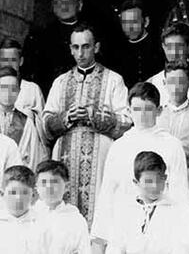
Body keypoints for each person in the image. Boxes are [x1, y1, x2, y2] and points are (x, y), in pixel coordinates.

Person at [43, 23, 132, 226]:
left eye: (86, 46)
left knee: (100, 206)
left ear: (96, 47)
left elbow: (127, 122)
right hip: (65, 153)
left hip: (101, 155)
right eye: (76, 47)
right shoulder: (60, 82)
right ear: (70, 49)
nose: (80, 53)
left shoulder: (113, 80)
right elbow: (45, 125)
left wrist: (95, 115)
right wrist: (66, 117)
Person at [91, 82, 189, 253]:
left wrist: (185, 236)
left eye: (148, 109)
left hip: (161, 226)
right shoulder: (119, 146)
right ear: (129, 111)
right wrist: (99, 238)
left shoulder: (171, 145)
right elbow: (108, 192)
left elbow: (180, 190)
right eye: (137, 109)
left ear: (159, 111)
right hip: (124, 226)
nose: (142, 115)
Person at [106, 151, 189, 254]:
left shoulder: (176, 212)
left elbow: (180, 249)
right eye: (148, 181)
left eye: (159, 180)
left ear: (165, 178)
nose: (154, 186)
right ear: (136, 182)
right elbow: (115, 248)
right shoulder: (125, 211)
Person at [156, 59, 189, 199]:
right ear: (164, 83)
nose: (176, 87)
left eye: (181, 81)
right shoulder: (157, 114)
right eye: (171, 82)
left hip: (188, 177)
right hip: (160, 178)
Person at [0, 67, 50, 170]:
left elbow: (33, 158)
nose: (8, 93)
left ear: (19, 91)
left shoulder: (26, 123)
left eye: (13, 89)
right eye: (4, 87)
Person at [34, 160, 90, 254]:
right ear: (36, 187)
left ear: (66, 186)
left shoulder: (75, 220)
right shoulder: (30, 216)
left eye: (54, 182)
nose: (49, 188)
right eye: (44, 183)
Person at [148, 22, 189, 107]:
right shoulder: (152, 83)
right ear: (163, 47)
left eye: (179, 47)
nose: (174, 53)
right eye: (169, 47)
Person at [115, 0, 165, 88]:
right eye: (125, 23)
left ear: (146, 22)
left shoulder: (161, 46)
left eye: (134, 22)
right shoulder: (119, 53)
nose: (129, 27)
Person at [0, 38, 45, 113]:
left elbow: (41, 121)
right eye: (4, 60)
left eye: (13, 60)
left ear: (21, 61)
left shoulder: (32, 89)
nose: (9, 64)